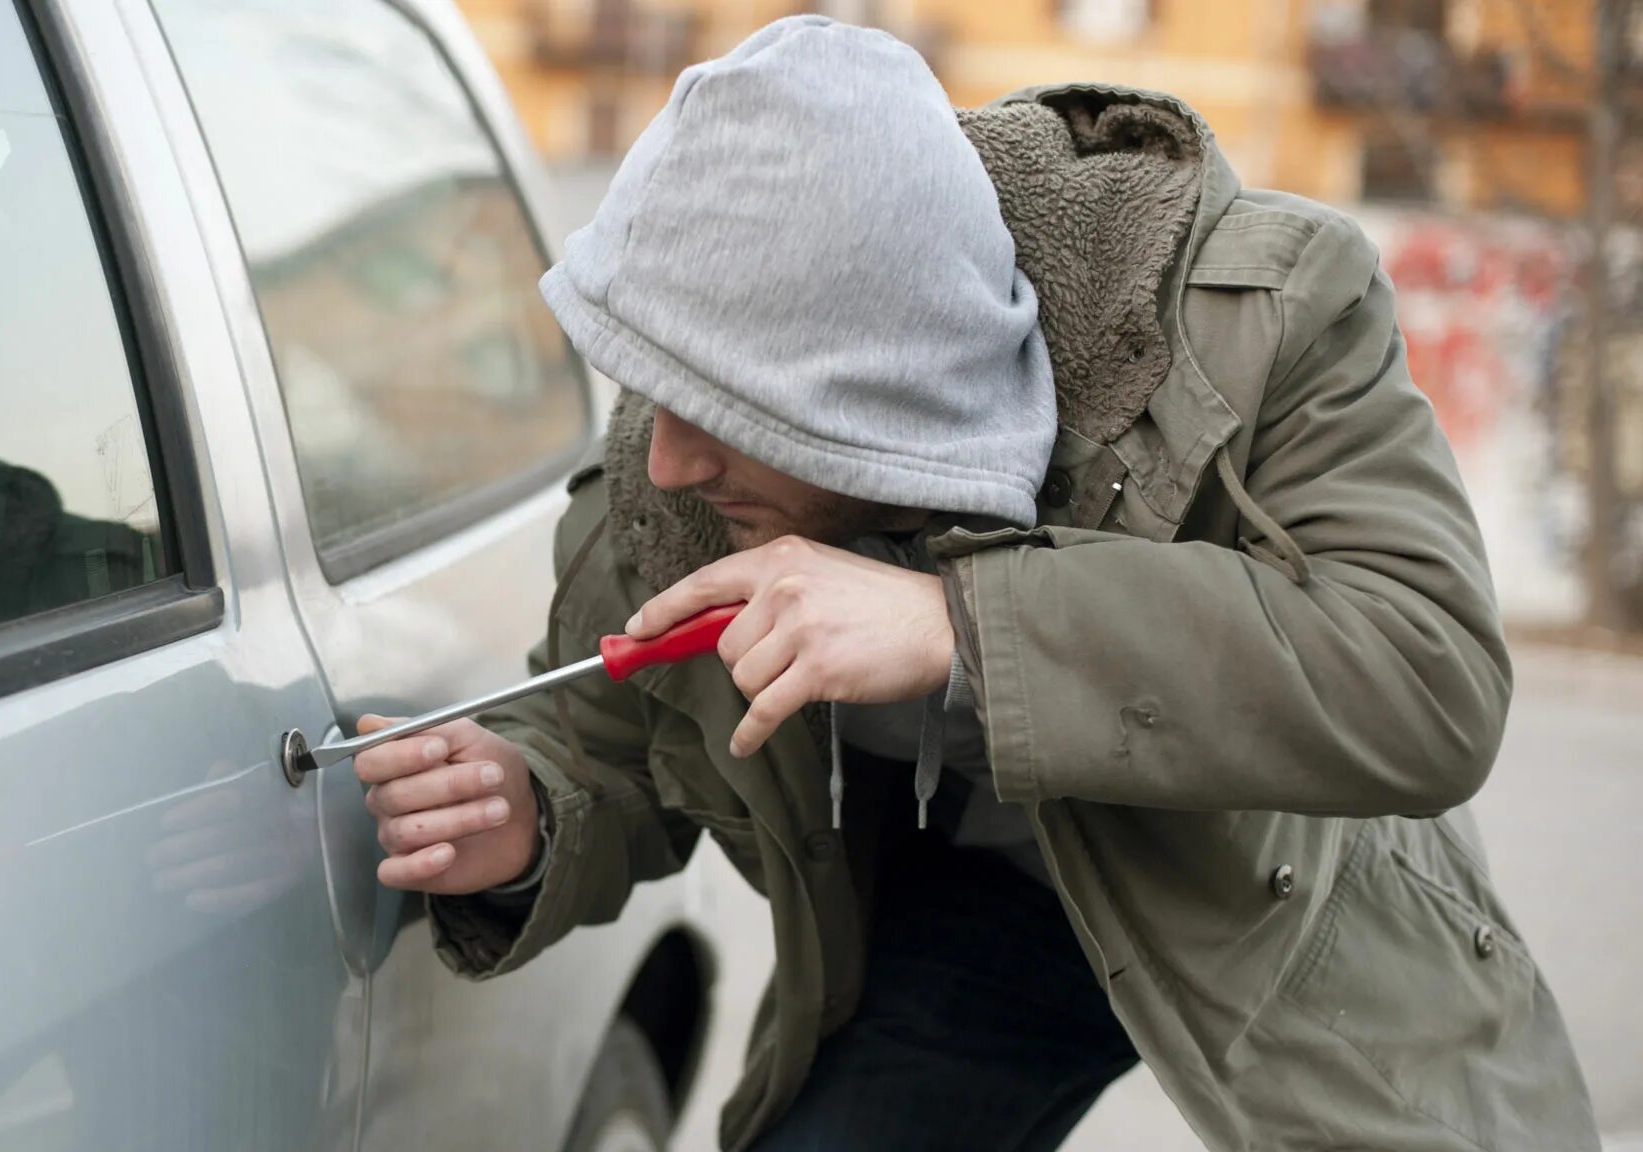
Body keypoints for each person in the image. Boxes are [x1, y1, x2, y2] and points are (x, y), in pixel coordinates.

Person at [354, 17, 1597, 1152]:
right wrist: (528, 809)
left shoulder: (1263, 313)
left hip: (1276, 887)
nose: (668, 456)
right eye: (655, 390)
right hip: (980, 917)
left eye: (725, 414)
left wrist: (960, 625)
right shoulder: (673, 467)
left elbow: (1423, 675)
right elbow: (612, 736)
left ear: (873, 391)